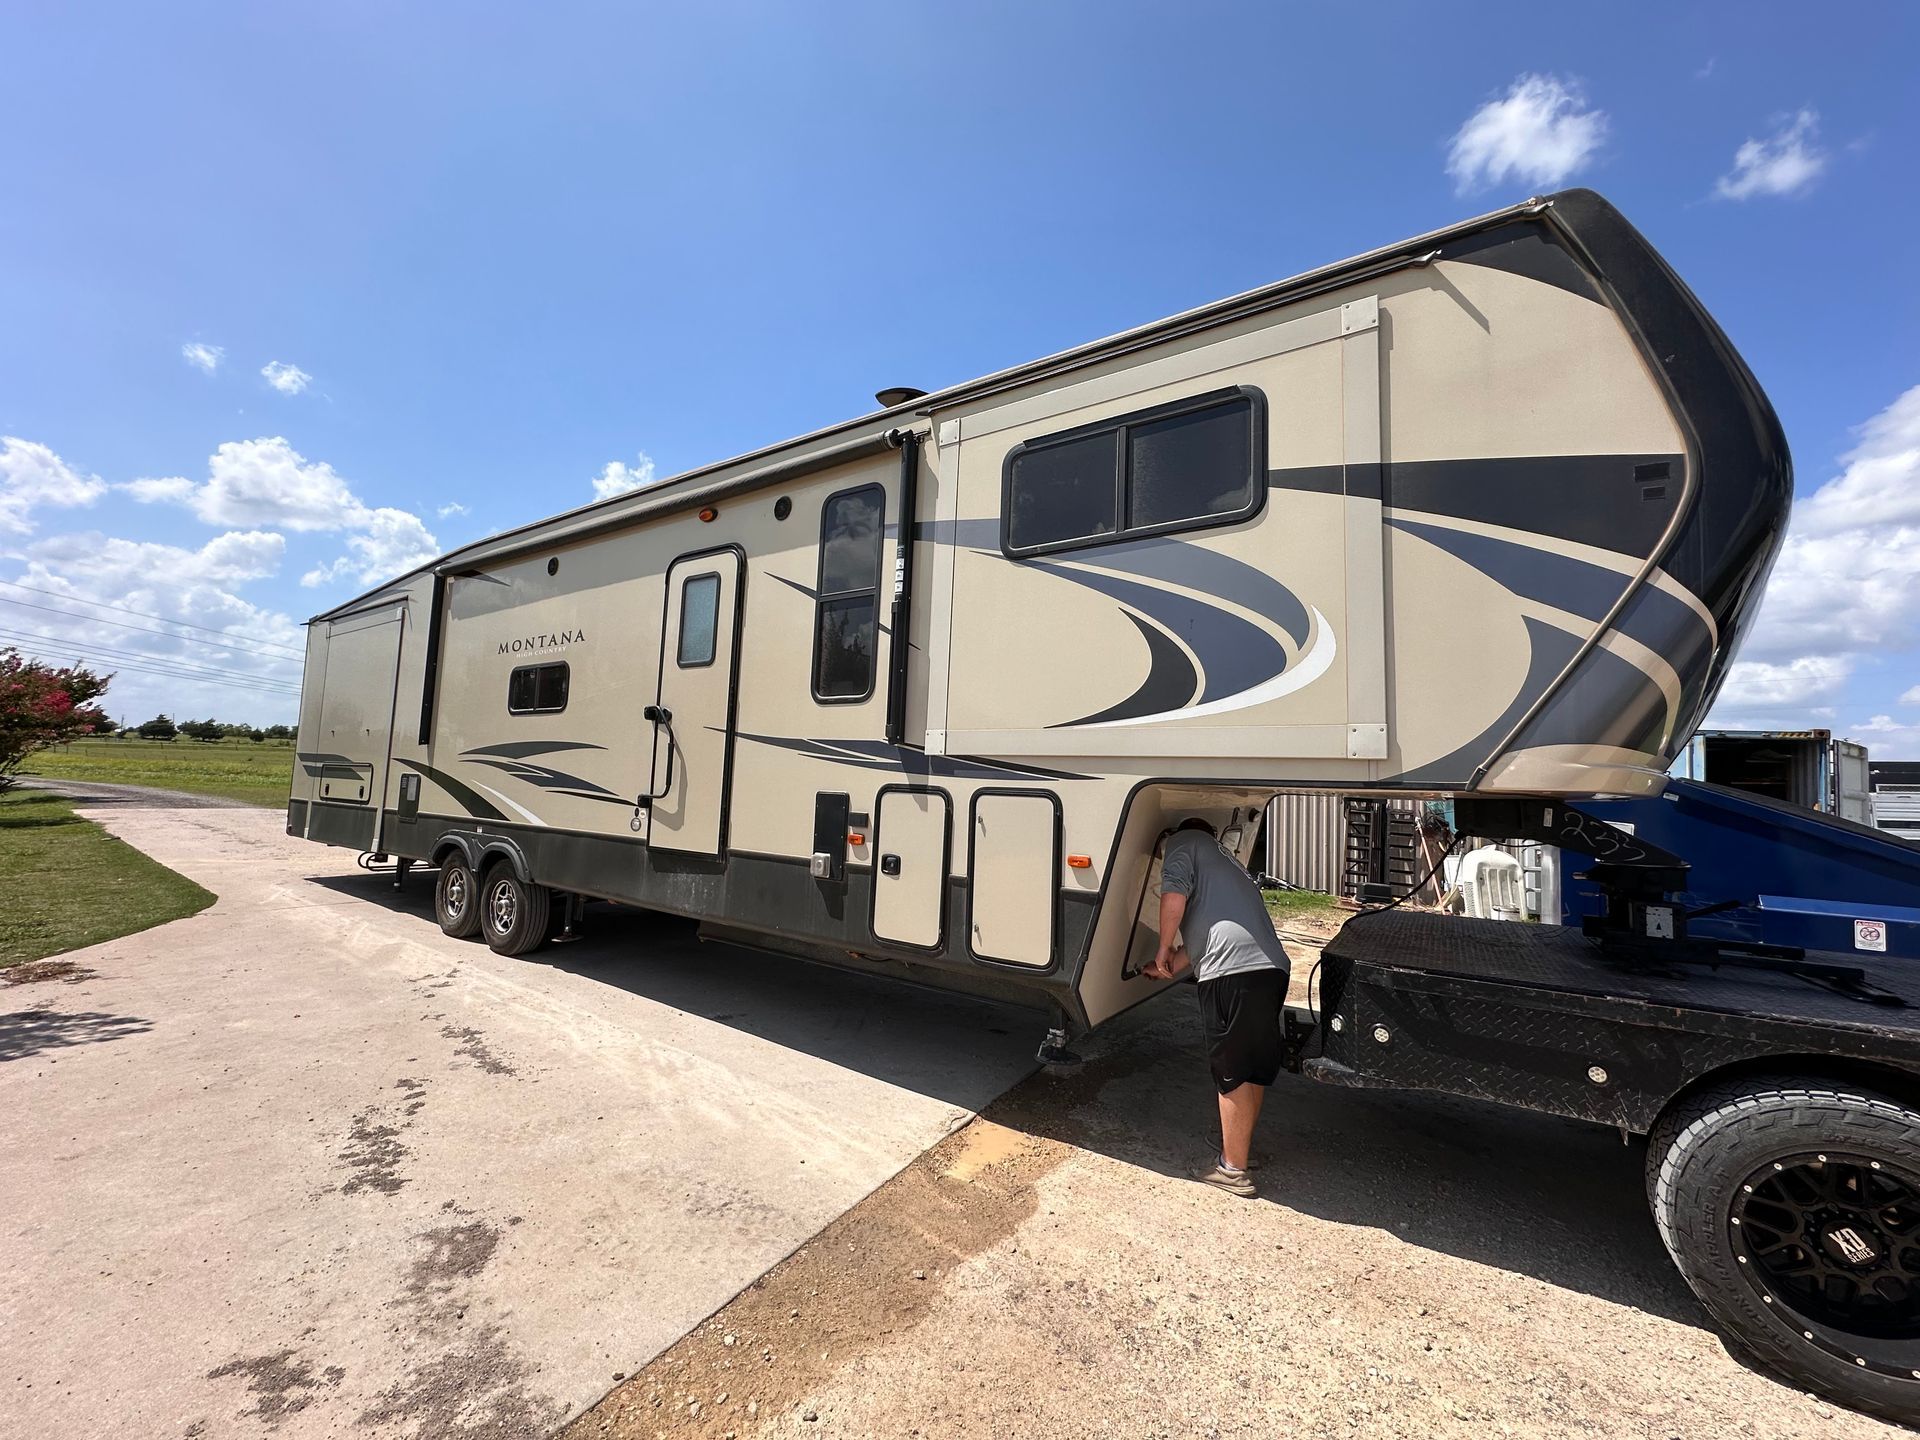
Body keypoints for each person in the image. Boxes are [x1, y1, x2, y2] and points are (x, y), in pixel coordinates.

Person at [1144, 817, 1290, 1198]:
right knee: (1252, 1069)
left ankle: (1232, 1170)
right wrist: (1159, 967)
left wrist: (1162, 946)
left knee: (1231, 1072)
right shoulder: (1227, 866)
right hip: (1269, 969)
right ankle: (1239, 1150)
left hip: (1233, 972)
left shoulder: (1183, 841)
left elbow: (1173, 894)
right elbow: (1193, 953)